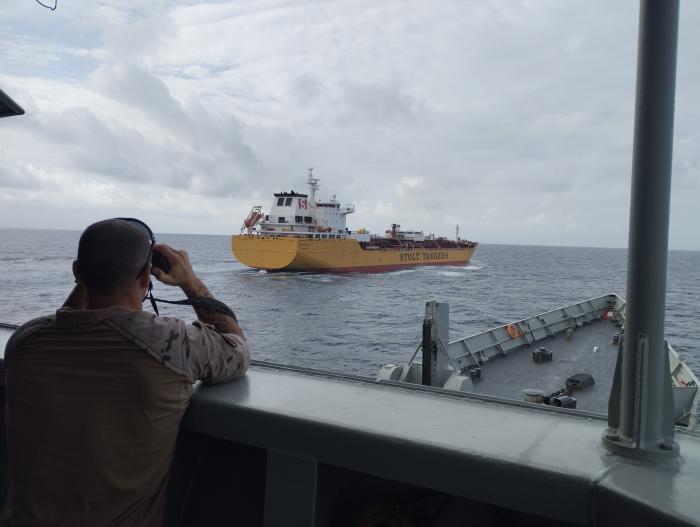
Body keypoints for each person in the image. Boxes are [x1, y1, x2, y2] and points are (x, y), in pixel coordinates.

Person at [1, 219, 250, 527]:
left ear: (77, 273)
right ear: (147, 275)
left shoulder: (25, 342)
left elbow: (68, 320)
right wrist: (191, 282)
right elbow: (236, 349)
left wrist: (88, 280)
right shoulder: (173, 344)